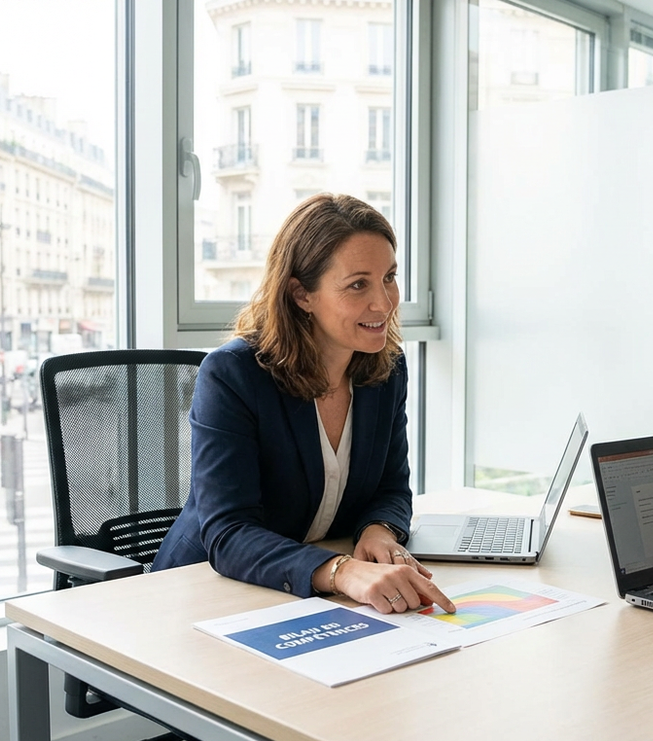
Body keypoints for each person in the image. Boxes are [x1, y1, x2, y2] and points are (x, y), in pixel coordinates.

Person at [155, 194, 456, 615]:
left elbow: (391, 487)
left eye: (389, 277)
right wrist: (341, 571)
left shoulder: (387, 369)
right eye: (358, 284)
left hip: (307, 602)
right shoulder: (233, 375)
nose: (385, 303)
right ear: (301, 294)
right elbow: (229, 532)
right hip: (206, 592)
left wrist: (379, 529)